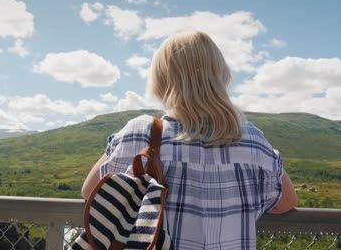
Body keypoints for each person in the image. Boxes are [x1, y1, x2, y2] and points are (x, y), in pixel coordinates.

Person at [81, 30, 298, 250]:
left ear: (161, 79)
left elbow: (91, 191)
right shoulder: (252, 140)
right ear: (221, 75)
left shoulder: (142, 133)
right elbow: (286, 204)